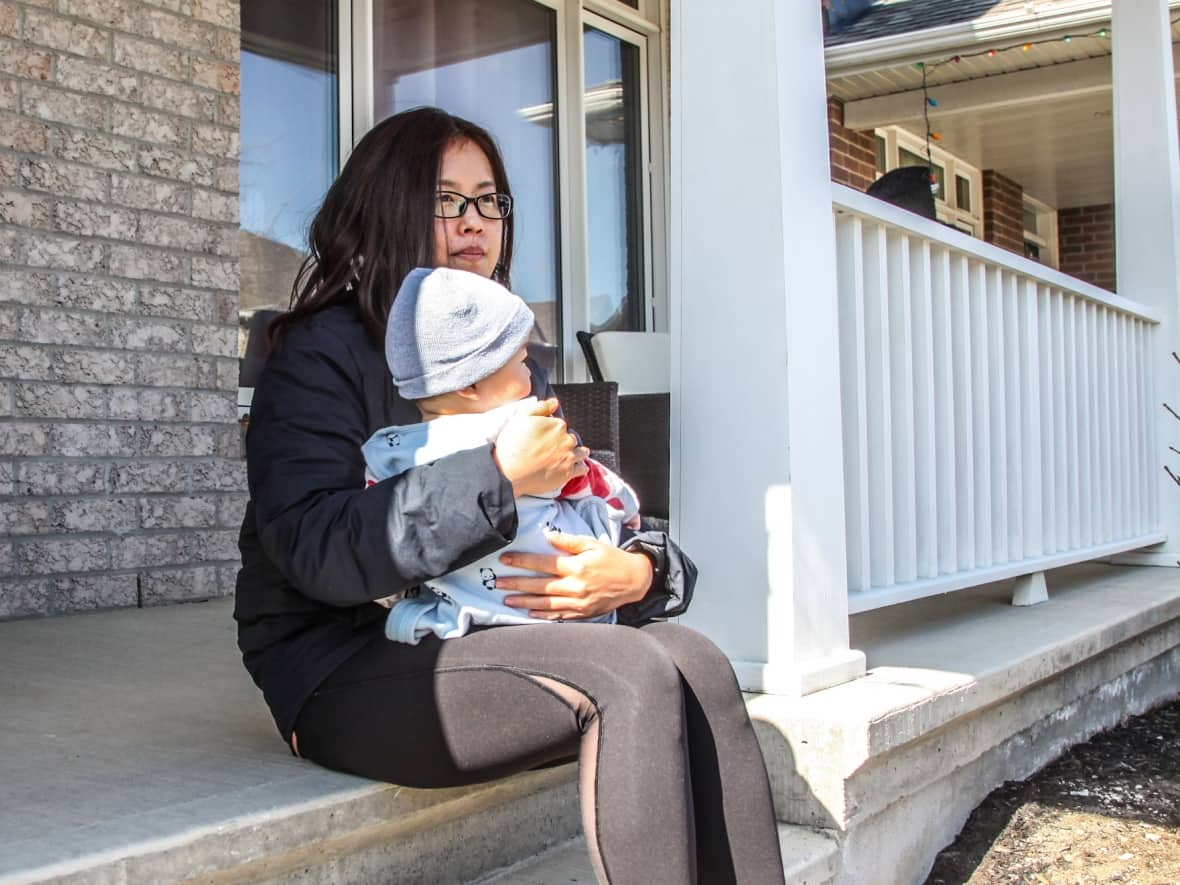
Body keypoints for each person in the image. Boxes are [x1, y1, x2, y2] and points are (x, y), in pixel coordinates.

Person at [234, 105, 786, 885]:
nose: (474, 221)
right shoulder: (320, 353)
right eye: (446, 198)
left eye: (489, 199)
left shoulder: (508, 361)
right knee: (631, 671)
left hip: (490, 634)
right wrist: (496, 477)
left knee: (696, 659)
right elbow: (314, 549)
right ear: (386, 203)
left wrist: (644, 575)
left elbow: (591, 501)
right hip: (343, 665)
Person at [363, 265, 643, 643]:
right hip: (560, 602)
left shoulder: (389, 449)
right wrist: (626, 508)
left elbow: (382, 527)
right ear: (473, 384)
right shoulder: (522, 424)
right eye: (522, 361)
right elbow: (583, 476)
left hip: (465, 617)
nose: (531, 374)